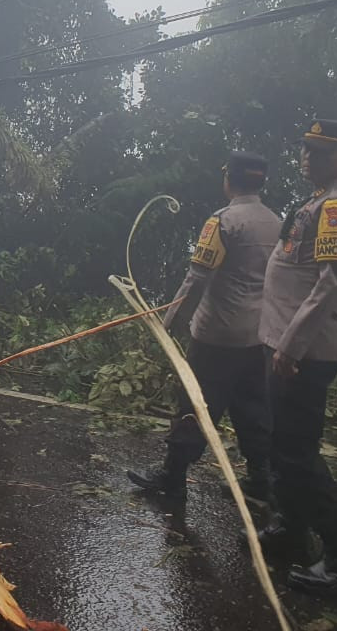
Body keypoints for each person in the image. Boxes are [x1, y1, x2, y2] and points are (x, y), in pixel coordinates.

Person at [258, 119, 337, 596]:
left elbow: (332, 284)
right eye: (306, 149)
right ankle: (291, 528)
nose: (310, 157)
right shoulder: (321, 199)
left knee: (298, 452)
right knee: (284, 444)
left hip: (303, 349)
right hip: (290, 343)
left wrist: (290, 344)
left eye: (323, 152)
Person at [128, 150, 281, 500]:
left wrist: (165, 323)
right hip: (258, 335)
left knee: (195, 404)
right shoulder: (276, 222)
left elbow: (197, 278)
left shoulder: (222, 221)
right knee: (253, 408)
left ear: (229, 180)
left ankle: (172, 475)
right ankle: (261, 478)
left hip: (217, 335)